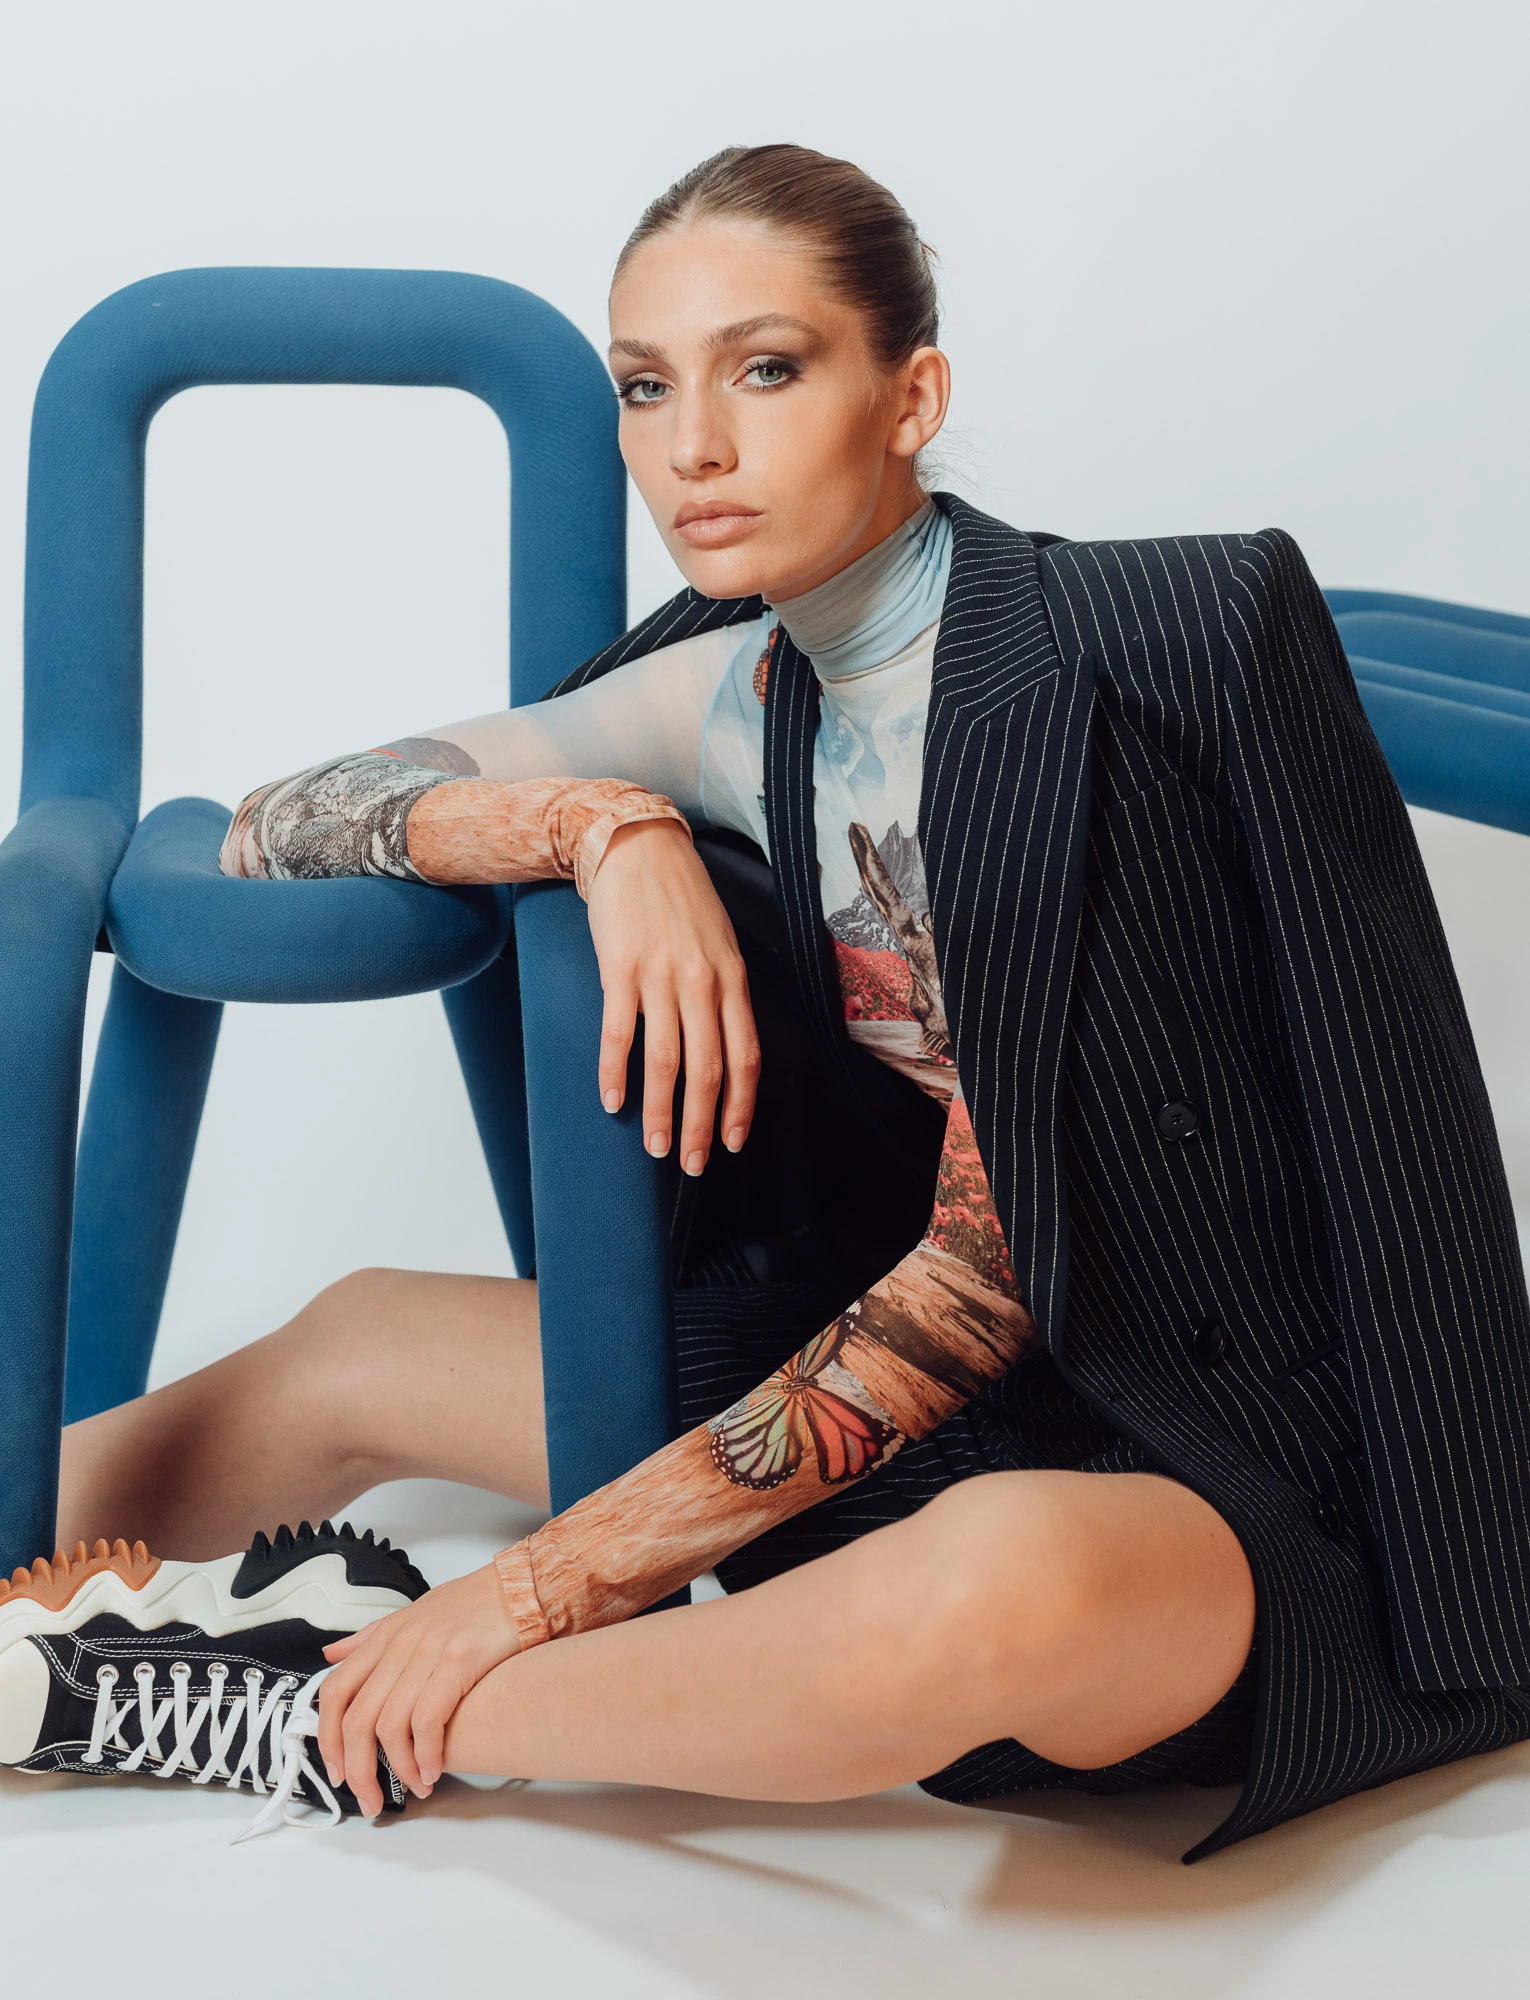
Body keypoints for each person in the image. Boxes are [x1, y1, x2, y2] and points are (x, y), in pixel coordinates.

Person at [5, 143, 1529, 1862]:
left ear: (909, 395)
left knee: (1002, 1584)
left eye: (768, 369)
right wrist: (600, 824)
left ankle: (304, 1707)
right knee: (355, 1343)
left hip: (1236, 1473)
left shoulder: (1147, 645)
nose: (693, 448)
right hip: (924, 1398)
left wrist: (526, 1590)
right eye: (646, 387)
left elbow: (977, 1292)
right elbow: (286, 820)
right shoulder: (728, 691)